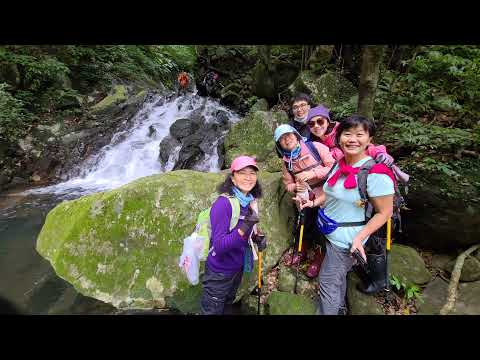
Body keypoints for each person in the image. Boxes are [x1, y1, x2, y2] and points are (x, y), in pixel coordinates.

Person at [298, 115, 395, 315]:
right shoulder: (339, 163)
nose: (352, 139)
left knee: (327, 281)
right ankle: (340, 307)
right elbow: (331, 192)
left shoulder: (376, 173)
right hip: (330, 233)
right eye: (347, 134)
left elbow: (385, 212)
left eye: (360, 135)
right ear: (339, 137)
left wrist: (360, 238)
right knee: (337, 277)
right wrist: (313, 202)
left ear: (369, 139)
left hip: (348, 241)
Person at [200, 155, 266, 315]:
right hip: (219, 273)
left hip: (237, 268)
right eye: (242, 173)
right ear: (233, 178)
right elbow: (220, 246)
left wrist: (256, 238)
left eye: (252, 173)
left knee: (227, 306)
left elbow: (245, 235)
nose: (248, 177)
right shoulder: (223, 204)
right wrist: (244, 227)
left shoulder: (249, 201)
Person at [274, 124, 335, 278]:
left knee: (321, 228)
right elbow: (288, 185)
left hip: (326, 195)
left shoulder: (315, 147)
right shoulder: (286, 162)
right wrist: (296, 185)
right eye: (281, 139)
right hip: (304, 197)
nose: (286, 140)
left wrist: (312, 173)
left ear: (296, 135)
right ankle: (301, 250)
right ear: (279, 144)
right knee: (304, 224)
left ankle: (319, 257)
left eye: (288, 135)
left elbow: (334, 168)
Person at [306, 105, 410, 183]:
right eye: (311, 124)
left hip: (365, 173)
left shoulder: (342, 132)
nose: (316, 126)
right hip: (345, 177)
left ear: (328, 122)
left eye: (320, 121)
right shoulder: (313, 144)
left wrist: (379, 154)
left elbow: (365, 145)